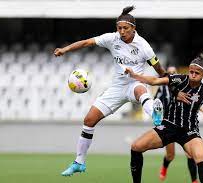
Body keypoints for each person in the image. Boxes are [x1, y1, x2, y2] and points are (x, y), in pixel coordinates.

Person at [54, 6, 166, 176]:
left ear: (133, 28)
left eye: (125, 28)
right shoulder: (111, 39)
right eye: (119, 28)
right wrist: (65, 49)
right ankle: (79, 162)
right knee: (89, 119)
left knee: (140, 89)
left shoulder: (144, 46)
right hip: (117, 87)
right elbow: (86, 42)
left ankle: (156, 116)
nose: (121, 32)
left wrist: (170, 82)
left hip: (135, 82)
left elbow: (160, 70)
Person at [125, 54, 203, 183]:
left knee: (201, 157)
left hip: (189, 131)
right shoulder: (179, 79)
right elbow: (154, 81)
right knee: (136, 146)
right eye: (191, 71)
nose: (193, 74)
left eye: (197, 72)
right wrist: (134, 75)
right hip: (168, 125)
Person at [155, 66, 203, 182]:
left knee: (190, 154)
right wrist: (157, 119)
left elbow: (192, 102)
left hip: (183, 125)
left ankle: (194, 180)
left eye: (173, 72)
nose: (171, 74)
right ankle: (164, 168)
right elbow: (156, 105)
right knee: (171, 155)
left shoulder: (183, 86)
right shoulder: (162, 89)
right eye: (169, 72)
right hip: (168, 124)